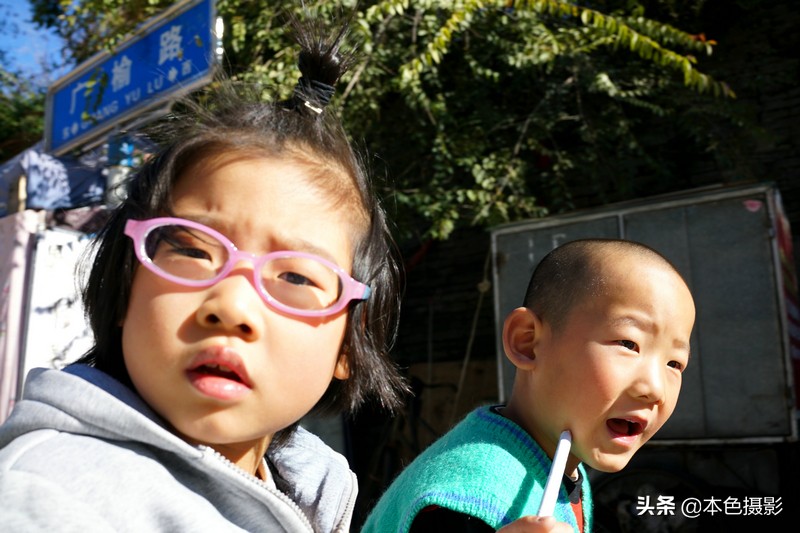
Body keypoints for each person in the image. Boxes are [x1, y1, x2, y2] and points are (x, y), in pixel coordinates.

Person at [0, 16, 408, 533]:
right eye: (192, 252)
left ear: (350, 345)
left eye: (298, 279)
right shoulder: (48, 498)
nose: (232, 306)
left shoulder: (313, 490)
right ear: (125, 285)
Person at [362, 238, 696, 533]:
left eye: (674, 364)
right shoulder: (467, 499)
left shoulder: (556, 455)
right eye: (628, 343)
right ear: (528, 343)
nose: (655, 389)